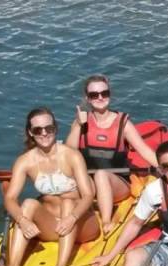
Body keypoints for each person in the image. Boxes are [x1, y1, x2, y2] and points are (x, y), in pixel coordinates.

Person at [4, 107, 99, 266]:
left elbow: (88, 195)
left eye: (49, 128)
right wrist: (22, 220)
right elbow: (10, 198)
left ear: (55, 128)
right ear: (30, 133)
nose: (44, 133)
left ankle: (61, 265)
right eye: (38, 130)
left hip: (81, 223)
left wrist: (72, 218)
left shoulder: (71, 156)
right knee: (28, 204)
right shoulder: (25, 161)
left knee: (68, 203)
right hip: (53, 226)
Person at [66, 74, 160, 234]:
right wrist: (77, 126)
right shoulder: (81, 122)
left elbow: (144, 150)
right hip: (88, 185)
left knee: (101, 174)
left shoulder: (123, 124)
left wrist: (167, 167)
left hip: (117, 183)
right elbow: (68, 154)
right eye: (94, 95)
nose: (100, 97)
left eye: (104, 93)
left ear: (110, 94)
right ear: (88, 98)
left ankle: (106, 221)